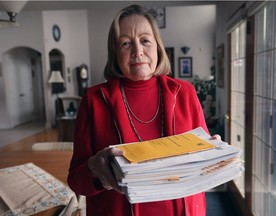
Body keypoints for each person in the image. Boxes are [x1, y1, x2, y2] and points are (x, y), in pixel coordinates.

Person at [68, 4, 212, 216]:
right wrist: (95, 170)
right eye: (125, 43)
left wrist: (214, 153)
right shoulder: (93, 100)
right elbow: (76, 181)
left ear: (157, 47)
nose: (138, 51)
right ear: (115, 52)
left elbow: (204, 159)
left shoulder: (185, 92)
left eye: (145, 40)